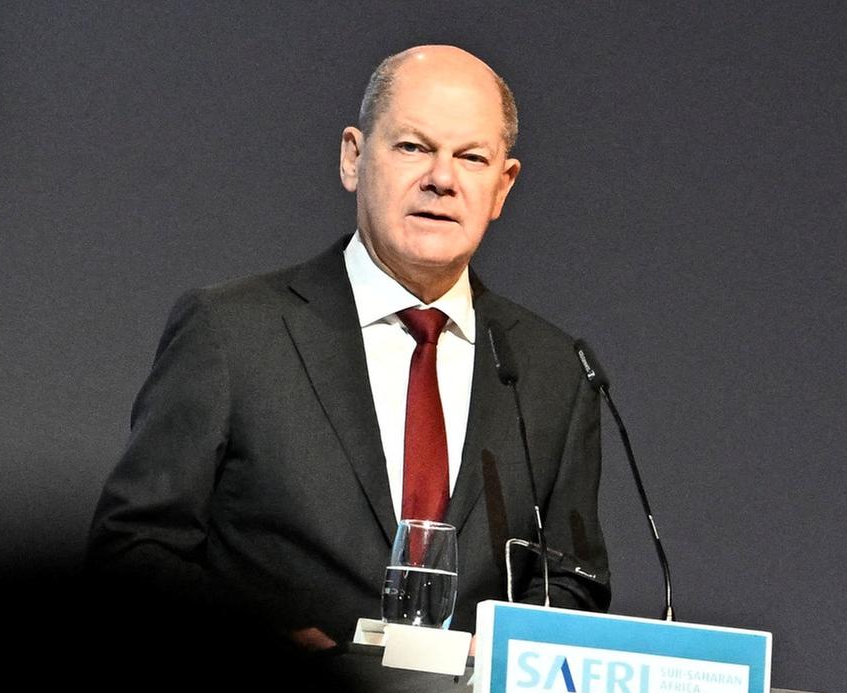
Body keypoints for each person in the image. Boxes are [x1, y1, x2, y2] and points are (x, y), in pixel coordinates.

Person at [88, 45, 610, 648]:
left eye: (471, 157)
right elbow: (133, 550)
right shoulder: (232, 332)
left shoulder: (554, 372)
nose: (442, 179)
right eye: (413, 147)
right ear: (353, 157)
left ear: (502, 186)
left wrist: (496, 652)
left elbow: (573, 585)